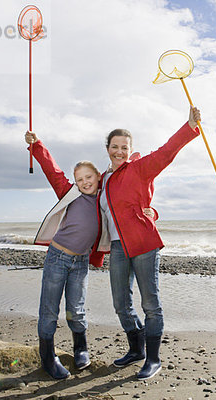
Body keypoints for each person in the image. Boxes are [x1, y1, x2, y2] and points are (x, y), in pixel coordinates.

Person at [25, 132, 156, 379]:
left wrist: (150, 212)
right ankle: (47, 356)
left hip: (81, 262)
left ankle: (80, 348)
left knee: (77, 308)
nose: (85, 182)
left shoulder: (105, 198)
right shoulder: (69, 194)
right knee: (49, 309)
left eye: (89, 177)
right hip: (58, 258)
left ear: (98, 177)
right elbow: (53, 171)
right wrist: (37, 146)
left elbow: (131, 200)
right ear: (74, 182)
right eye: (79, 179)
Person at [102, 106, 201, 380]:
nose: (119, 151)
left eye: (124, 147)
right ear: (107, 148)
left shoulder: (139, 168)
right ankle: (137, 349)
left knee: (150, 304)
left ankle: (153, 359)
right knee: (121, 304)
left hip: (144, 243)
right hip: (118, 246)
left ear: (130, 149)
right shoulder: (103, 179)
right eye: (115, 146)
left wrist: (188, 126)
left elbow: (165, 153)